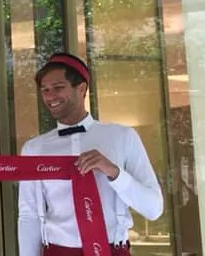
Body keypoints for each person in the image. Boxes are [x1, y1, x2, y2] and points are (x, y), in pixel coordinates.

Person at [17, 52, 164, 256]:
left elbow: (154, 209)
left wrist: (114, 173)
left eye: (58, 87)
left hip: (113, 251)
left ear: (81, 89)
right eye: (45, 90)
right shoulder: (34, 149)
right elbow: (29, 215)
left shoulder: (122, 137)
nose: (50, 96)